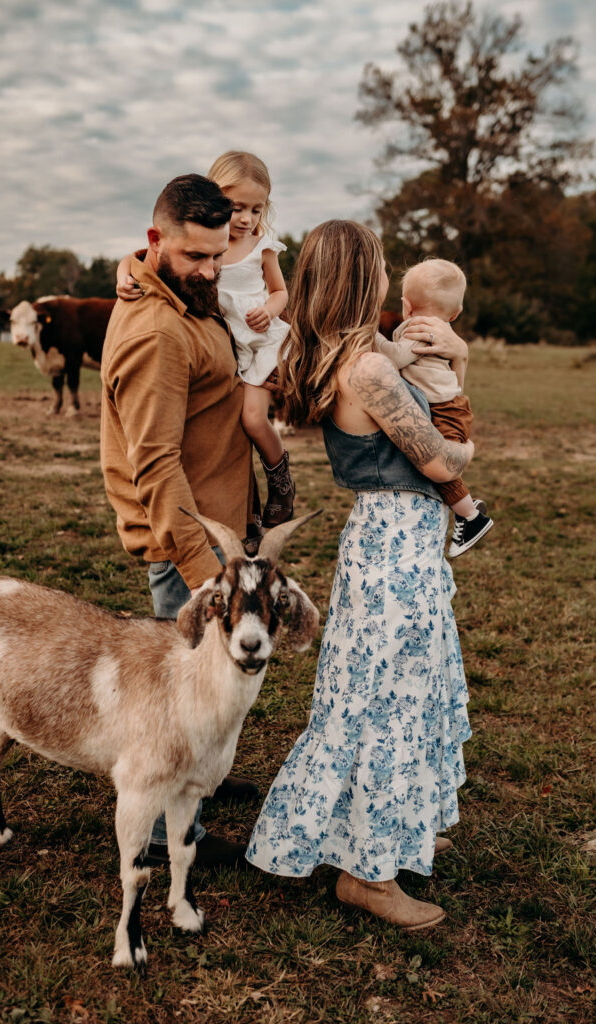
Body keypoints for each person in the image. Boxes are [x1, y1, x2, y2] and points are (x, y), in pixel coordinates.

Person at [246, 221, 474, 930]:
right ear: (361, 278)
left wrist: (452, 361)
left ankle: (383, 835)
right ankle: (367, 875)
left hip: (387, 539)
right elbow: (443, 460)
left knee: (381, 692)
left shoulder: (357, 351)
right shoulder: (370, 369)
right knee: (389, 704)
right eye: (378, 269)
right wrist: (464, 414)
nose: (387, 281)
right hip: (394, 547)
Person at [101, 173, 259, 868]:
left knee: (208, 694)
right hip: (186, 551)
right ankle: (174, 841)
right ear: (153, 241)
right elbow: (155, 467)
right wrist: (208, 581)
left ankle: (202, 787)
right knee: (180, 704)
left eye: (217, 255)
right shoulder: (157, 331)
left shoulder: (185, 293)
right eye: (195, 257)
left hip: (218, 533)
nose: (209, 269)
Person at [118, 150, 294, 528]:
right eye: (235, 207)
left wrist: (272, 311)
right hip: (224, 343)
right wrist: (124, 270)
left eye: (256, 209)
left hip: (256, 339)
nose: (246, 219)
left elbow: (281, 292)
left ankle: (280, 480)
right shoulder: (192, 247)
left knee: (252, 418)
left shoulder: (261, 246)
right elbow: (147, 252)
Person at [375, 259, 493, 557]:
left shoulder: (419, 328)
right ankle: (469, 511)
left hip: (445, 410)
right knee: (436, 464)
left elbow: (396, 358)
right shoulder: (443, 328)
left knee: (440, 468)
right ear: (456, 313)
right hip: (450, 405)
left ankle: (471, 516)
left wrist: (368, 333)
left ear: (406, 305)